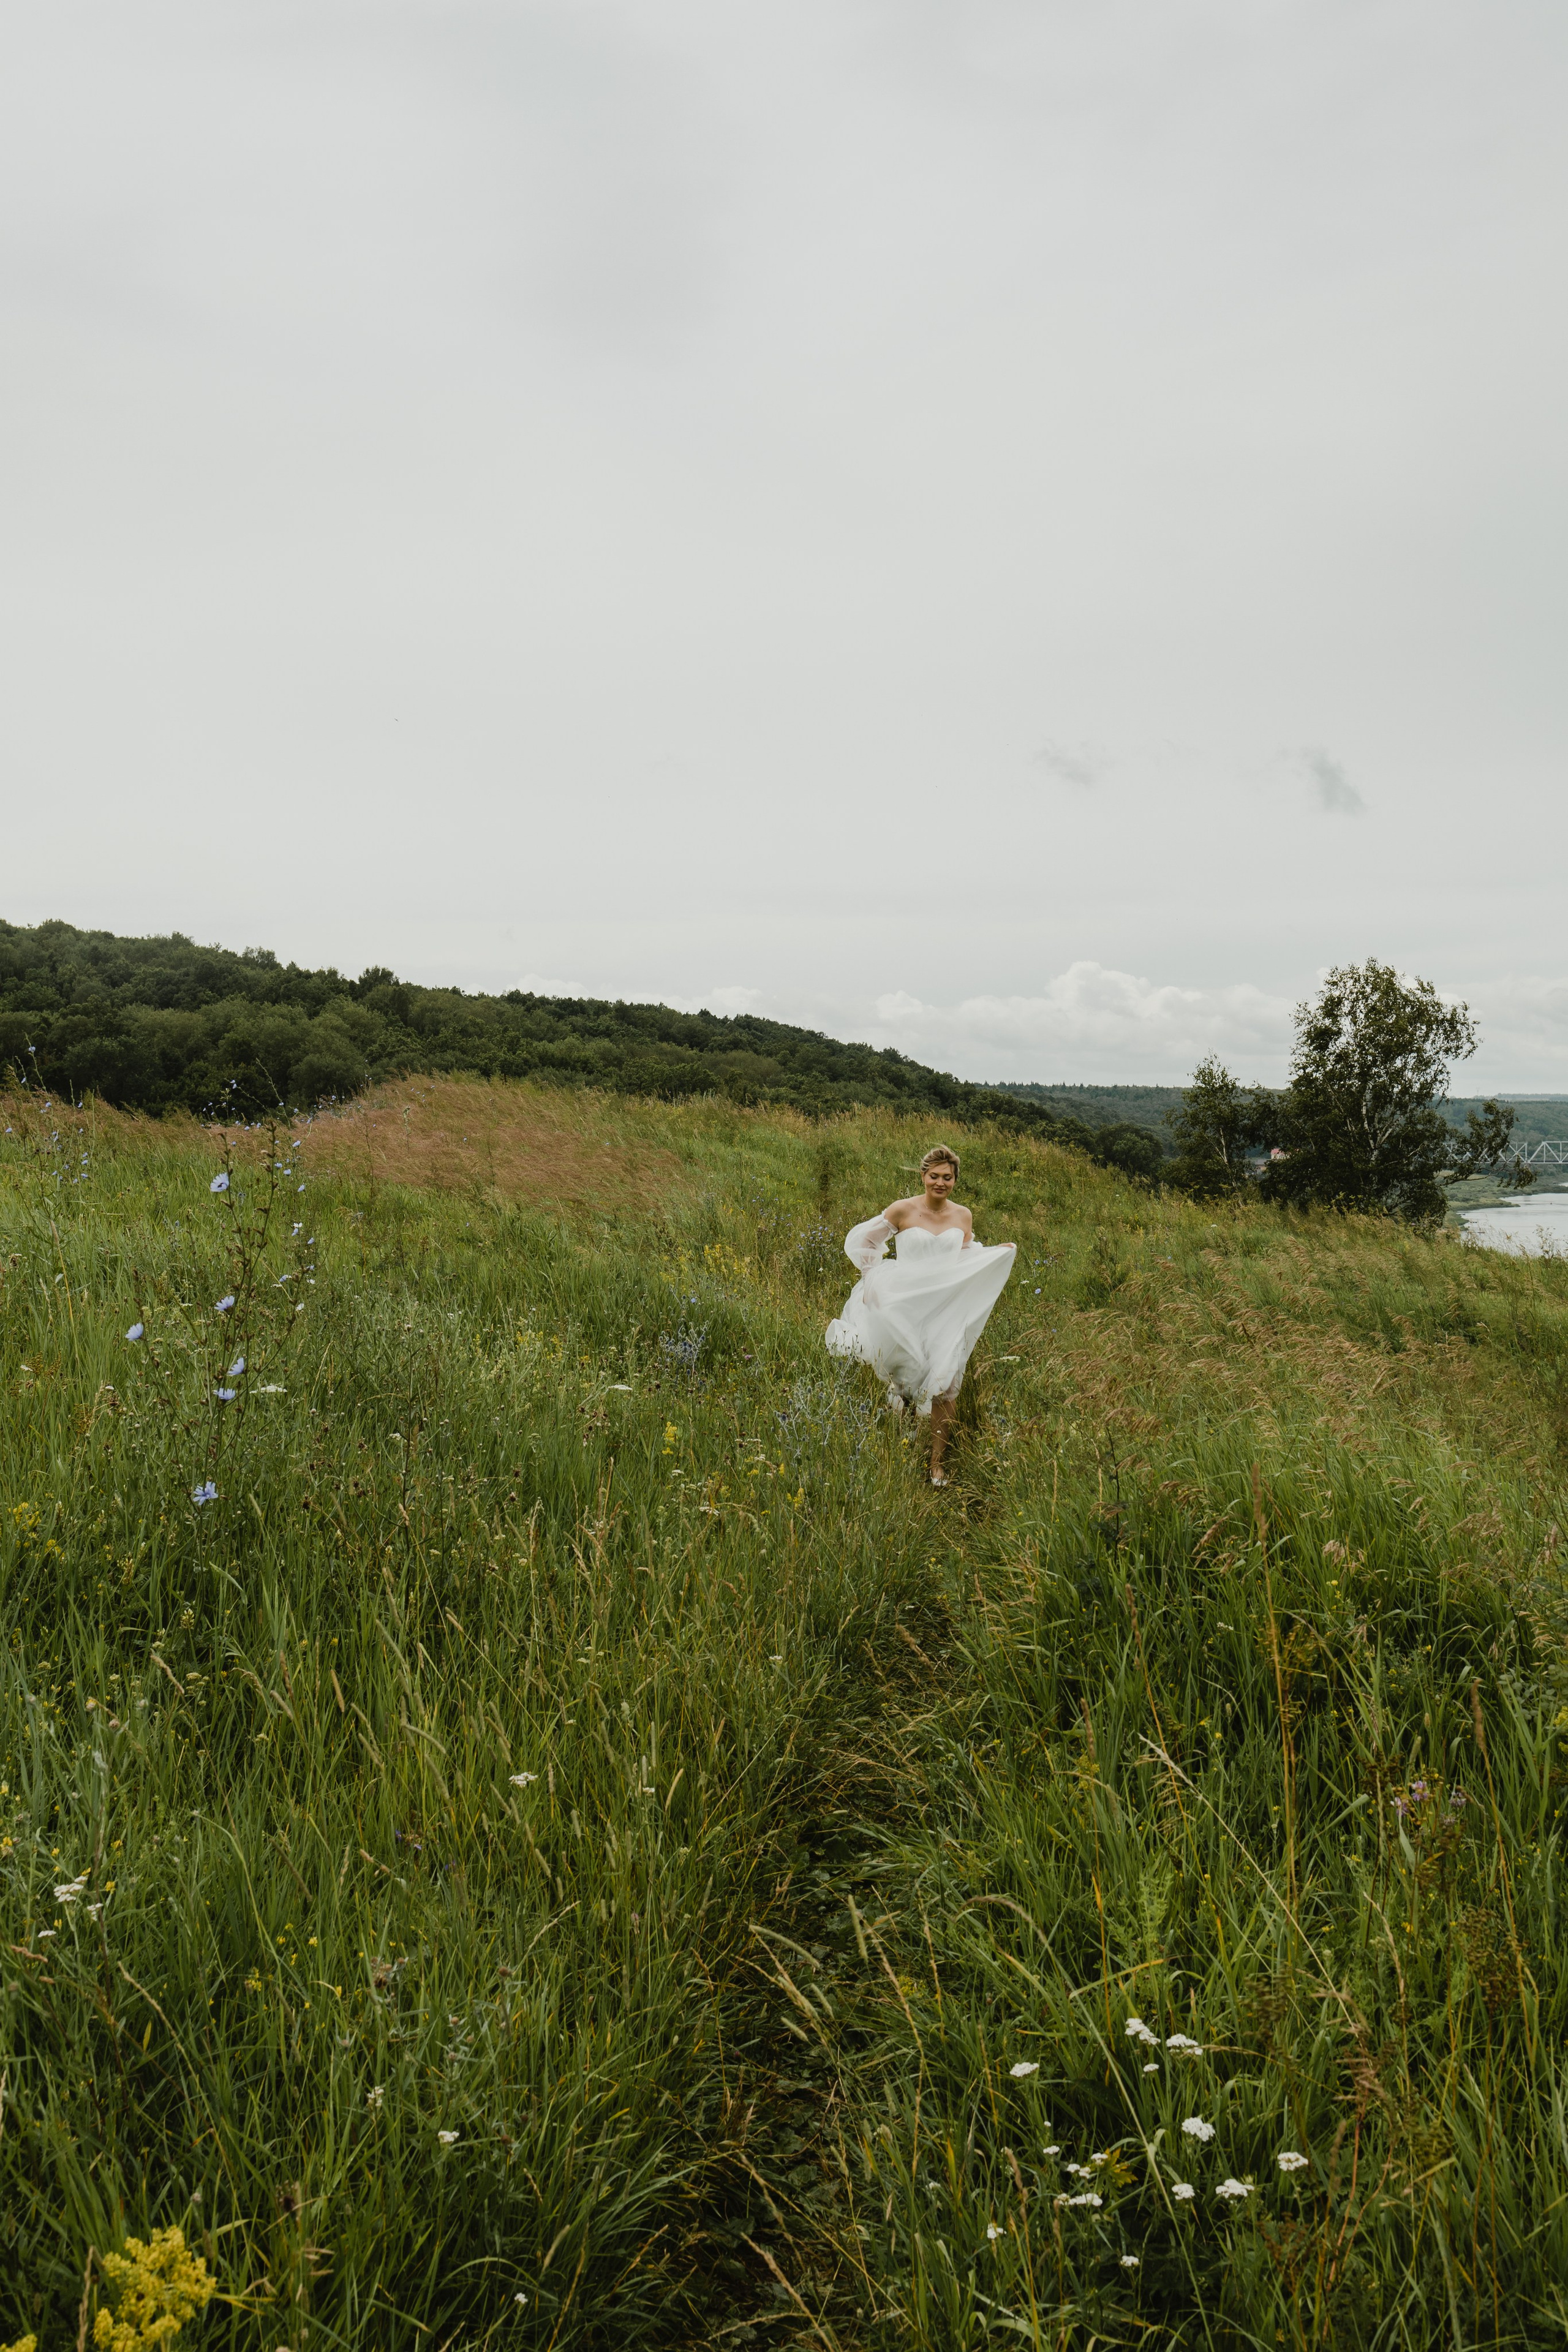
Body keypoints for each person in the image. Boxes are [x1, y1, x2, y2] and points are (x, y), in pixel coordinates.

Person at [825, 1144, 1016, 1486]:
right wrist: (873, 1278)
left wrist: (992, 1253)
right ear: (923, 1176)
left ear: (955, 1180)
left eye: (947, 1177)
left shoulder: (963, 1215)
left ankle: (936, 1462)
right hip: (905, 1303)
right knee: (905, 1376)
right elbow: (863, 1242)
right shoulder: (903, 1210)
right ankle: (901, 1435)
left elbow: (965, 1250)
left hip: (945, 1305)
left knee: (946, 1382)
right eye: (934, 1177)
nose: (940, 1183)